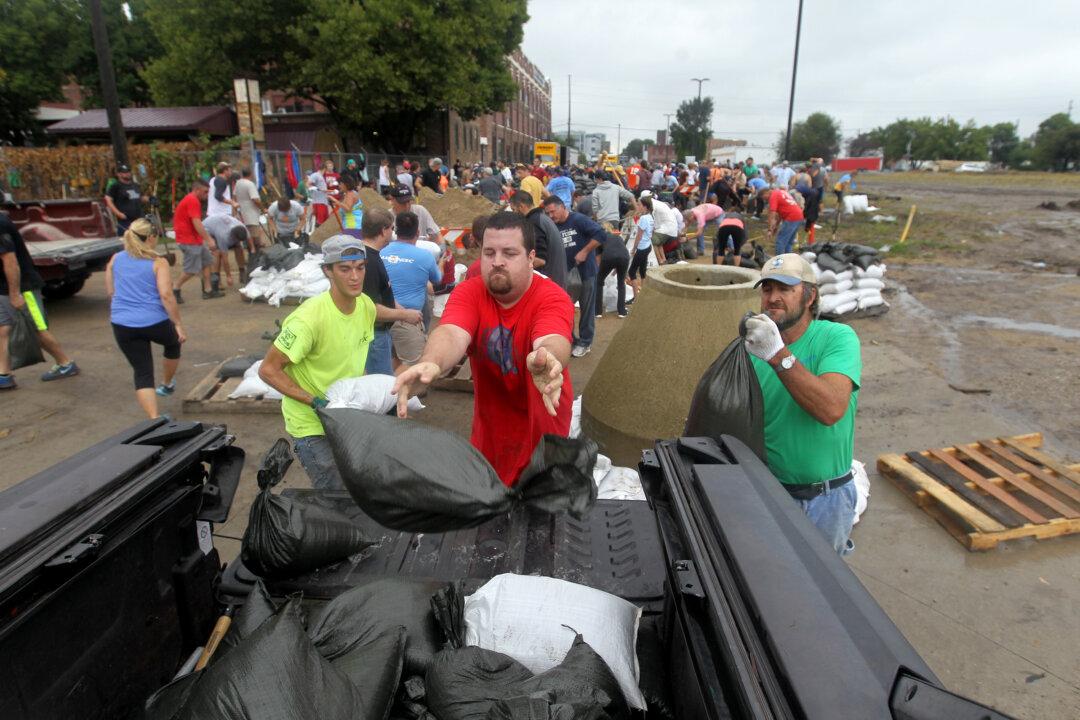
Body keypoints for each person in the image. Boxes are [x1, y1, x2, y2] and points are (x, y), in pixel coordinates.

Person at [392, 211, 572, 485]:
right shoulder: (470, 292)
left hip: (543, 435)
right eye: (489, 253)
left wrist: (548, 357)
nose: (497, 262)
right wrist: (432, 362)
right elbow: (452, 333)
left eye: (509, 253)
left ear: (531, 257)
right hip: (492, 434)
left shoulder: (552, 297)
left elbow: (553, 337)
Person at [743, 254, 861, 555]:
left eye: (785, 289)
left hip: (824, 500)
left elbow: (831, 409)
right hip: (769, 494)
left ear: (810, 296)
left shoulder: (836, 338)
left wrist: (778, 355)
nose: (773, 298)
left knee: (822, 591)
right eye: (767, 289)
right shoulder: (753, 352)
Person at [258, 236, 377, 490]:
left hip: (345, 418)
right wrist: (314, 401)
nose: (355, 277)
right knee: (335, 496)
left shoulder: (365, 306)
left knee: (357, 488)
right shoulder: (308, 319)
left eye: (360, 267)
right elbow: (268, 370)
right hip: (313, 425)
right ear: (327, 271)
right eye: (345, 269)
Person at [105, 218, 186, 417]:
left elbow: (110, 290)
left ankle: (154, 418)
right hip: (153, 321)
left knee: (142, 371)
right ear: (150, 238)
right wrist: (177, 324)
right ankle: (167, 384)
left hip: (122, 323)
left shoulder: (116, 258)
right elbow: (166, 295)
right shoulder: (158, 262)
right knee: (174, 343)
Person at [0, 213, 80, 390]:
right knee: (3, 328)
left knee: (35, 328)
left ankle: (65, 363)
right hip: (4, 287)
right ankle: (4, 375)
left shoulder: (0, 224)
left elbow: (10, 262)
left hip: (22, 288)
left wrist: (15, 294)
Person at [359, 209, 423, 375]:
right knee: (381, 386)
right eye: (391, 229)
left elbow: (382, 293)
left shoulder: (372, 255)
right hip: (375, 335)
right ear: (383, 230)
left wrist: (402, 310)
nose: (393, 233)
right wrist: (404, 315)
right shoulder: (369, 262)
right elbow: (371, 308)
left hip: (379, 334)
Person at [542, 196, 603, 358]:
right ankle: (572, 340)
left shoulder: (579, 220)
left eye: (553, 212)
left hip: (586, 273)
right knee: (565, 308)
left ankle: (585, 342)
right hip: (565, 275)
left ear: (563, 207)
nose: (551, 216)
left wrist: (584, 251)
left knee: (586, 308)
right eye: (548, 213)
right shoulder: (552, 226)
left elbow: (600, 234)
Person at [382, 211, 442, 367]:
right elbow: (437, 280)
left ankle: (392, 388)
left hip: (381, 315)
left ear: (395, 230)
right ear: (417, 233)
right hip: (408, 319)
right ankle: (406, 391)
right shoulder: (425, 256)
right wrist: (442, 263)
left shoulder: (381, 252)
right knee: (416, 366)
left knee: (393, 360)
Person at [171, 179, 224, 302]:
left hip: (194, 239)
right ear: (197, 190)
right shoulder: (192, 200)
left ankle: (208, 290)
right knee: (191, 270)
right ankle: (175, 287)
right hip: (188, 240)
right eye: (205, 192)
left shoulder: (192, 200)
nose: (207, 195)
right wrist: (209, 239)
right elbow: (197, 222)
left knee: (206, 262)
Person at [510, 190, 566, 288]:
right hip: (556, 279)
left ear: (521, 206)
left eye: (514, 209)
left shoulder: (533, 223)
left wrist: (513, 270)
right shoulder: (542, 218)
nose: (514, 213)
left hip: (549, 283)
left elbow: (540, 260)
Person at [202, 213, 254, 286]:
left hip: (219, 223)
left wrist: (252, 250)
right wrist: (228, 276)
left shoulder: (242, 228)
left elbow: (249, 240)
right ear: (233, 237)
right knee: (217, 252)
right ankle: (216, 279)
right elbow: (225, 259)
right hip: (206, 229)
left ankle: (242, 272)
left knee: (238, 247)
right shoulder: (223, 236)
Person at [593, 221, 630, 319]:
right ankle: (622, 311)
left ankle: (598, 312)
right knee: (621, 283)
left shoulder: (599, 238)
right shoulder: (618, 236)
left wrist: (599, 272)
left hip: (608, 257)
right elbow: (621, 252)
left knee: (599, 282)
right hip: (625, 257)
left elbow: (598, 260)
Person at [759, 187, 804, 255]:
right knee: (789, 241)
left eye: (763, 197)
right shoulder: (779, 192)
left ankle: (779, 261)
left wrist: (769, 230)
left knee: (780, 241)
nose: (764, 200)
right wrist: (776, 226)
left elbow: (772, 214)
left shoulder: (773, 196)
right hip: (799, 215)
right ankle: (788, 259)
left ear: (766, 193)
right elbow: (780, 213)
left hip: (791, 217)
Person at [103, 163, 146, 232]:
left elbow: (141, 197)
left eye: (128, 172)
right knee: (129, 240)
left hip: (139, 218)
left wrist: (150, 199)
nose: (127, 174)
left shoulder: (135, 185)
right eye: (124, 172)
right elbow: (108, 200)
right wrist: (118, 214)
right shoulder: (115, 186)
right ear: (119, 174)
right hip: (126, 220)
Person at [233, 168, 265, 248]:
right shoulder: (249, 184)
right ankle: (257, 250)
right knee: (255, 234)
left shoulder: (238, 183)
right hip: (251, 212)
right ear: (251, 174)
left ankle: (251, 248)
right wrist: (262, 208)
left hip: (242, 211)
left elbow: (234, 197)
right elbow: (255, 199)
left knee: (247, 232)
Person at [629, 198, 653, 297]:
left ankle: (636, 297)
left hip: (642, 248)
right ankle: (643, 295)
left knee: (632, 272)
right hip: (648, 246)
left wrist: (634, 249)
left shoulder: (643, 218)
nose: (637, 207)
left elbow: (639, 235)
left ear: (645, 207)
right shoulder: (650, 217)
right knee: (642, 271)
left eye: (639, 205)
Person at [334, 174, 364, 240]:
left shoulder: (350, 194)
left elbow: (348, 209)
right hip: (354, 226)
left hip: (353, 226)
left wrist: (336, 201)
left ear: (345, 184)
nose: (339, 186)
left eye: (340, 184)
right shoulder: (351, 193)